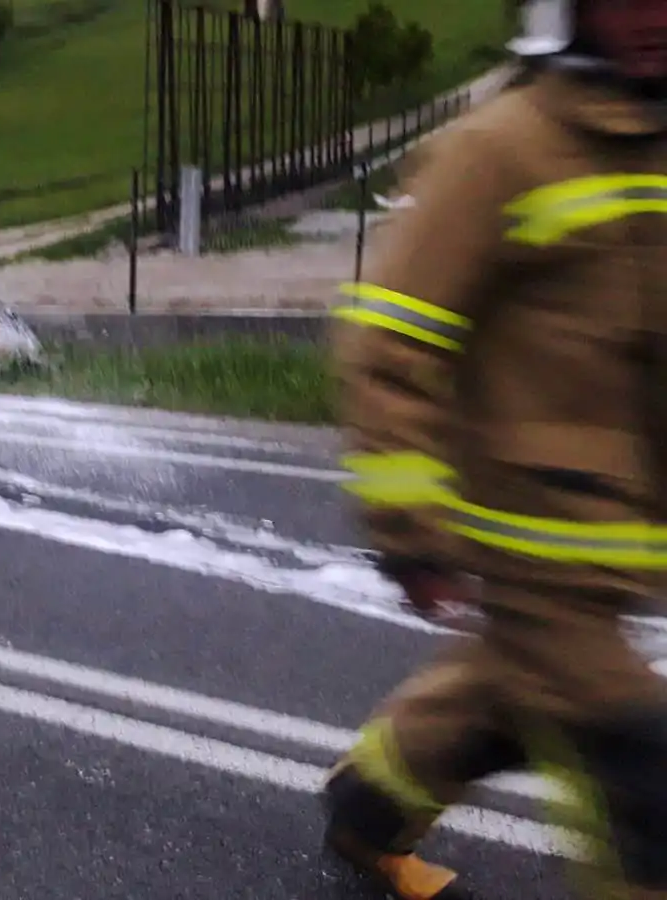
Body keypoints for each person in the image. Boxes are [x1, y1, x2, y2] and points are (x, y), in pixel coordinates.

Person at [322, 1, 667, 898]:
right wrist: (406, 526)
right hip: (530, 535)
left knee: (499, 700)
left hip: (616, 532)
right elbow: (391, 345)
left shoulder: (651, 151)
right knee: (639, 760)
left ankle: (367, 809)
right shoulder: (500, 149)